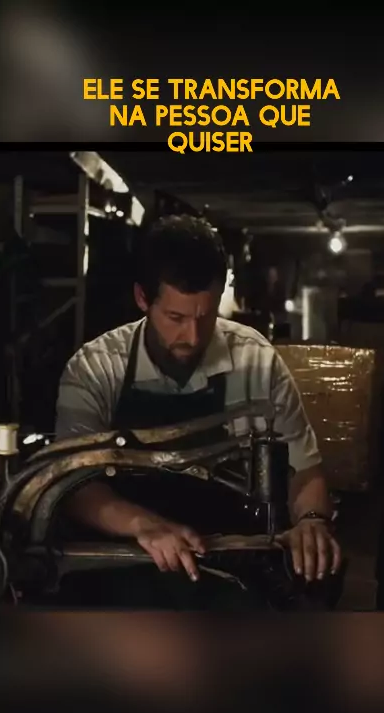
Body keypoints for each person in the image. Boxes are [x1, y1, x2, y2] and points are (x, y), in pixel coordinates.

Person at [55, 214, 341, 605]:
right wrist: (143, 524)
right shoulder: (96, 368)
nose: (191, 336)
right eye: (175, 318)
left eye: (205, 317)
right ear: (142, 298)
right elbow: (73, 485)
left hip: (229, 559)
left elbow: (304, 470)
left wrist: (311, 521)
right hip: (129, 559)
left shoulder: (256, 361)